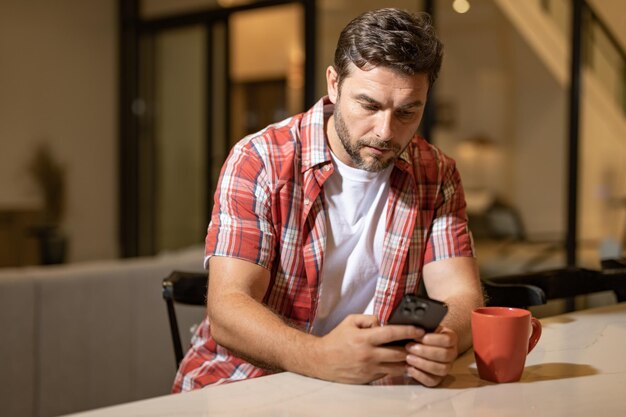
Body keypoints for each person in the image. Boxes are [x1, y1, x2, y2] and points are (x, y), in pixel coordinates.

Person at [173, 7, 483, 392]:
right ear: (334, 84)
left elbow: (461, 294)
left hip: (370, 387)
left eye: (407, 111)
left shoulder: (436, 173)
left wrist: (446, 339)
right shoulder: (261, 160)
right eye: (369, 105)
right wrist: (319, 357)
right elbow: (227, 309)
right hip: (246, 381)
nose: (385, 132)